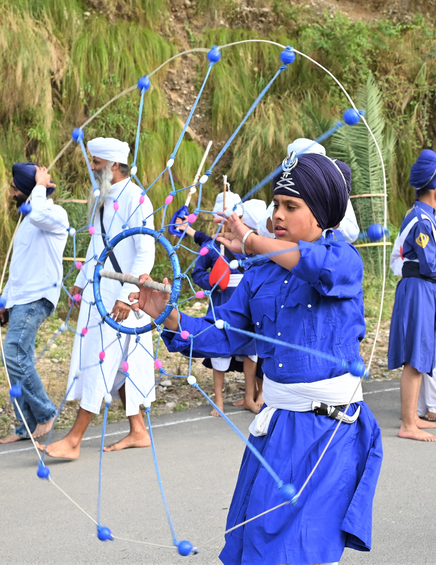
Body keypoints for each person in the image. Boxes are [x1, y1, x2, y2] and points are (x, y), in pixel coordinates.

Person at [131, 150, 382, 565]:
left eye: (291, 206)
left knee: (299, 551)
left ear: (322, 214)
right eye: (276, 204)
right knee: (257, 542)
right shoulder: (260, 274)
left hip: (329, 433)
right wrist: (169, 317)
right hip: (277, 430)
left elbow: (316, 267)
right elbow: (225, 335)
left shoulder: (342, 259)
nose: (278, 214)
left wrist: (250, 241)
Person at [44, 138, 156, 459]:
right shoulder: (102, 196)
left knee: (100, 360)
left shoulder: (137, 198)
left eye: (97, 163)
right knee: (119, 361)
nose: (92, 168)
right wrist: (81, 283)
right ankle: (138, 430)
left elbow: (145, 252)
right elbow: (98, 247)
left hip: (122, 298)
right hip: (99, 292)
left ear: (114, 166)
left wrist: (126, 295)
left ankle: (74, 440)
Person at [387, 149, 436, 442]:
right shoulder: (421, 220)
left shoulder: (427, 216)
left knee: (422, 353)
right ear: (434, 185)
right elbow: (431, 264)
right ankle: (408, 424)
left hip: (424, 289)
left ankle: (413, 418)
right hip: (418, 288)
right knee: (415, 356)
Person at [0, 163, 69, 445]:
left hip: (37, 296)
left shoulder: (53, 214)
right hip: (21, 299)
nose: (11, 192)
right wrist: (6, 301)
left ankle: (45, 412)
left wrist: (39, 185)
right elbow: (20, 266)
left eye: (15, 188)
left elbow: (39, 214)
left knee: (13, 353)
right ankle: (25, 424)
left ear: (28, 190)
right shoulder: (27, 220)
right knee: (16, 358)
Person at [191, 192, 264, 415]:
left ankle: (249, 397)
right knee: (219, 350)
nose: (227, 222)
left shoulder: (250, 243)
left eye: (232, 218)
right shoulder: (211, 246)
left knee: (250, 351)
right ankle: (219, 400)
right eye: (222, 218)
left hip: (246, 303)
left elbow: (261, 269)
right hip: (221, 301)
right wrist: (213, 281)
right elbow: (197, 273)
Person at [389, 214, 436, 422]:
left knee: (431, 351)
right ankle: (415, 409)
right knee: (416, 351)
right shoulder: (415, 223)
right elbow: (398, 259)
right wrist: (413, 270)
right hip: (417, 287)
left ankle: (435, 403)